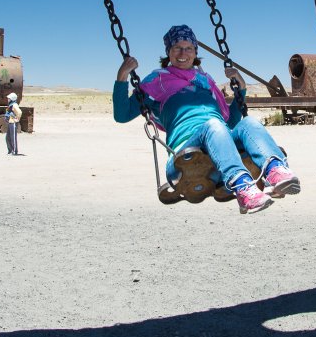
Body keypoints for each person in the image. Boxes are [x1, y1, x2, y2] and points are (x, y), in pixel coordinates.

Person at [113, 25, 300, 215]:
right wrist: (122, 76)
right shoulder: (156, 82)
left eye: (189, 48)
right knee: (213, 125)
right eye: (177, 47)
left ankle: (276, 172)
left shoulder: (205, 81)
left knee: (248, 123)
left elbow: (232, 120)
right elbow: (122, 115)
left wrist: (241, 88)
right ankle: (243, 188)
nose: (183, 53)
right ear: (168, 52)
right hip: (185, 155)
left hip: (220, 144)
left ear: (195, 52)